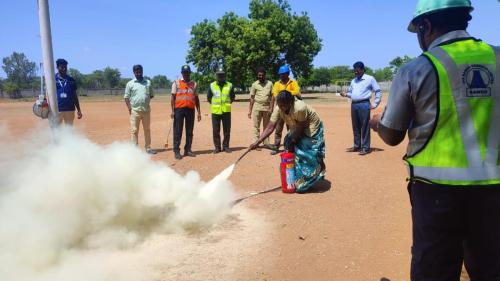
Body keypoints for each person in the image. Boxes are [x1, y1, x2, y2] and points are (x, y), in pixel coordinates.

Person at [369, 1, 500, 280]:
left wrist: (375, 121)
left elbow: (392, 135)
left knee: (434, 270)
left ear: (425, 26)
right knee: (491, 267)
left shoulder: (417, 69)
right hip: (494, 193)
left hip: (437, 194)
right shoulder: (497, 58)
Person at [250, 90, 325, 193]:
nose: (281, 108)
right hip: (296, 126)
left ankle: (315, 173)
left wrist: (293, 141)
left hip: (310, 129)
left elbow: (301, 127)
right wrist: (257, 142)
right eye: (279, 105)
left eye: (283, 105)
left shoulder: (299, 107)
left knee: (308, 152)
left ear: (290, 103)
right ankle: (298, 174)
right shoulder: (279, 108)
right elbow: (270, 127)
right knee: (288, 143)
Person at [340, 61, 381, 155]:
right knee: (355, 126)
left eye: (357, 70)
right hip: (354, 105)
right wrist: (346, 94)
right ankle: (357, 146)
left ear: (362, 69)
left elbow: (378, 91)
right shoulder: (353, 81)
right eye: (354, 70)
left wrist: (375, 103)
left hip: (364, 104)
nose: (356, 72)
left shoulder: (370, 79)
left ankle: (366, 148)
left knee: (365, 126)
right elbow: (351, 93)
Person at [170, 65, 201, 160]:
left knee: (189, 131)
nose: (186, 74)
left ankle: (188, 149)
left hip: (190, 110)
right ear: (182, 73)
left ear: (190, 73)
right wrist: (172, 111)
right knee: (178, 131)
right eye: (184, 72)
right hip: (179, 110)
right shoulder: (176, 83)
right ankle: (176, 150)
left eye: (187, 72)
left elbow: (196, 98)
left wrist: (199, 112)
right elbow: (173, 97)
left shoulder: (194, 84)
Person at [124, 64, 156, 154]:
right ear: (134, 72)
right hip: (135, 111)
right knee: (134, 130)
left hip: (146, 111)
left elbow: (151, 95)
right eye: (136, 71)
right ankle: (134, 149)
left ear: (142, 71)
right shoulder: (130, 84)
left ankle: (148, 148)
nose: (138, 73)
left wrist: (144, 101)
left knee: (147, 129)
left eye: (139, 71)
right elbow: (126, 97)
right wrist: (129, 108)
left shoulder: (148, 82)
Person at [269, 65, 301, 155]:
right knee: (278, 129)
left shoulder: (293, 82)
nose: (281, 76)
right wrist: (287, 94)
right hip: (280, 110)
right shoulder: (276, 84)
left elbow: (297, 92)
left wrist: (285, 94)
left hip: (290, 110)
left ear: (287, 74)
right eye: (280, 74)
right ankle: (276, 147)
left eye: (283, 74)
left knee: (291, 129)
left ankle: (290, 146)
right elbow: (275, 94)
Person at [207, 67, 235, 153]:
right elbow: (209, 98)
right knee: (216, 130)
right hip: (215, 111)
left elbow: (232, 97)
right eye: (219, 75)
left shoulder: (230, 85)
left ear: (225, 75)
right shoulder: (212, 85)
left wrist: (227, 104)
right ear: (216, 76)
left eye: (222, 75)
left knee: (227, 130)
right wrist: (216, 105)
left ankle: (226, 146)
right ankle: (217, 147)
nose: (221, 76)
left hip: (226, 111)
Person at [248, 67, 273, 149]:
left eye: (262, 75)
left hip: (266, 108)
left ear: (265, 75)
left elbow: (273, 96)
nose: (260, 77)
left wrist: (271, 108)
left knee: (266, 127)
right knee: (256, 126)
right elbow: (252, 98)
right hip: (257, 107)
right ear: (257, 76)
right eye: (259, 75)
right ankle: (256, 143)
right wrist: (250, 110)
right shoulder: (254, 84)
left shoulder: (270, 84)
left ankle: (266, 143)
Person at [53, 58, 82, 126]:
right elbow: (48, 94)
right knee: (56, 130)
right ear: (57, 67)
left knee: (69, 130)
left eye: (65, 67)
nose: (64, 69)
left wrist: (79, 110)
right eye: (62, 67)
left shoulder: (71, 80)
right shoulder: (53, 79)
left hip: (70, 109)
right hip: (57, 110)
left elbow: (74, 96)